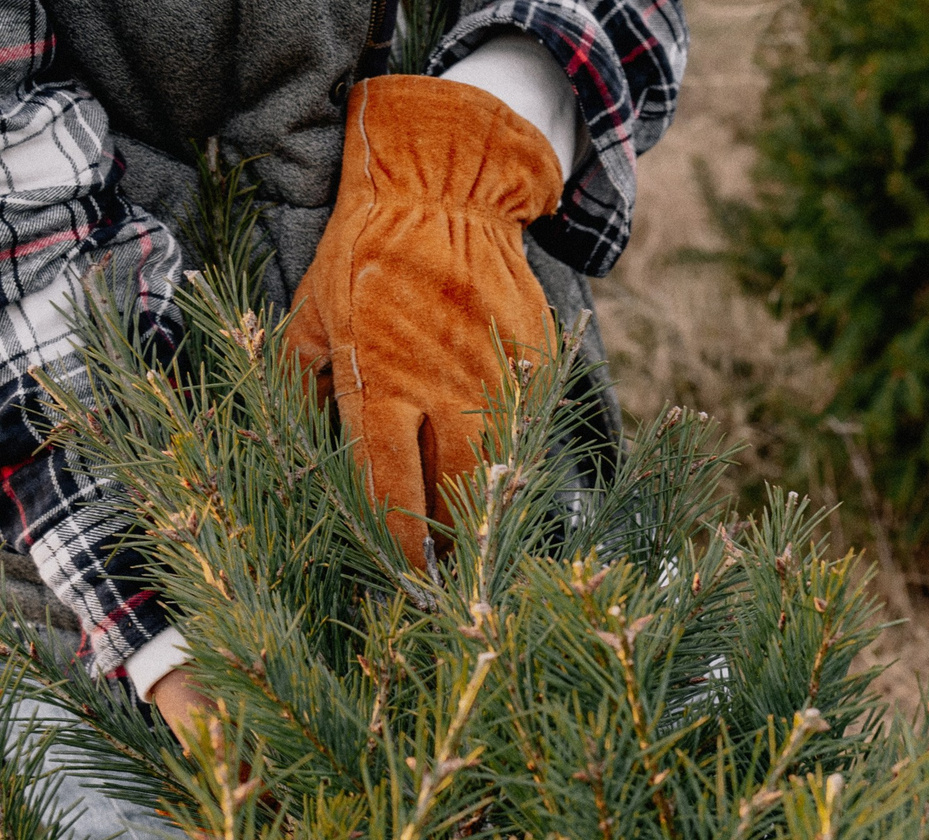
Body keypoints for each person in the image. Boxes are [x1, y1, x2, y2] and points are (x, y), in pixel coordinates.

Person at [0, 2, 687, 766]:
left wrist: (482, 136)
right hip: (101, 528)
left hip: (500, 403)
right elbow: (18, 238)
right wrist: (164, 620)